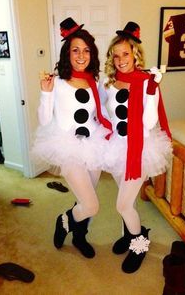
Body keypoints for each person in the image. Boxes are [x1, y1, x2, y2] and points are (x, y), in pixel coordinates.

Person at [32, 17, 112, 259]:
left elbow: (101, 112)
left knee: (86, 199)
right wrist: (45, 94)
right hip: (67, 147)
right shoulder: (56, 82)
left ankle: (79, 236)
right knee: (91, 205)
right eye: (75, 49)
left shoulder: (94, 80)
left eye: (86, 50)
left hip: (93, 145)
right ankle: (64, 220)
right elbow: (45, 120)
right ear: (67, 52)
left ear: (92, 54)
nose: (81, 55)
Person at [100, 21, 172, 273]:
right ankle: (129, 236)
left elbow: (150, 121)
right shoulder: (109, 83)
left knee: (122, 204)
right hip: (118, 148)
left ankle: (140, 246)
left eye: (126, 54)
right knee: (126, 200)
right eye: (116, 55)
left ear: (135, 55)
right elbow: (107, 116)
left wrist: (152, 90)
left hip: (139, 150)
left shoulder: (145, 81)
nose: (121, 60)